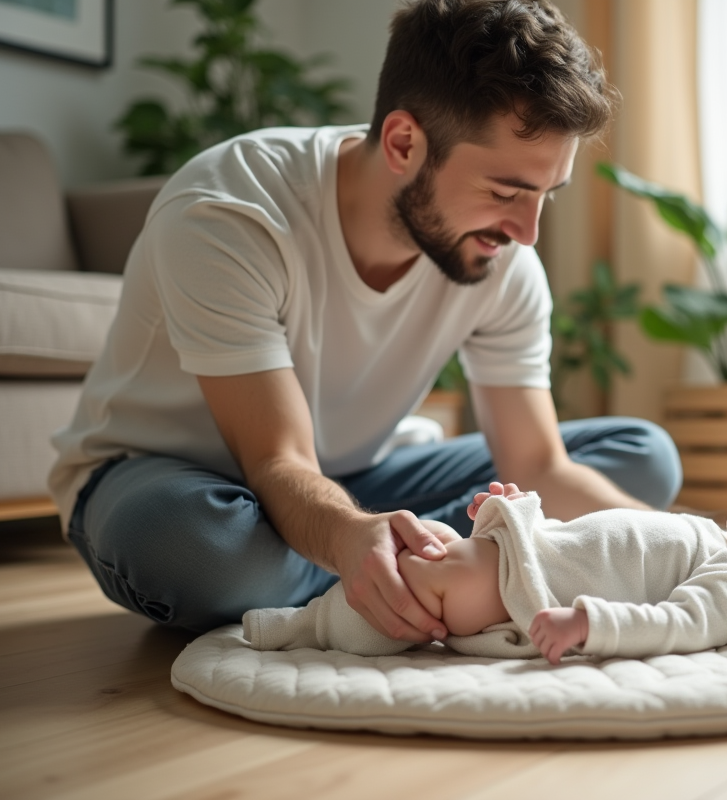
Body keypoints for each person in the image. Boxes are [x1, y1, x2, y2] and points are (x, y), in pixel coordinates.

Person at [48, 0, 681, 637]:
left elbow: (538, 466)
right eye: (505, 191)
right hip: (176, 480)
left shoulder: (500, 255)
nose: (527, 231)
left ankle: (385, 563)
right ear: (404, 142)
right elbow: (277, 462)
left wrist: (702, 545)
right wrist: (350, 533)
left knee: (641, 457)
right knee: (204, 555)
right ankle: (449, 563)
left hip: (352, 474)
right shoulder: (231, 213)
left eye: (547, 195)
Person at [244, 482, 727, 663]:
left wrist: (589, 624)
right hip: (524, 554)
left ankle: (302, 627)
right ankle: (312, 610)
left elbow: (672, 626)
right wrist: (516, 514)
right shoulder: (719, 543)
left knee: (419, 583)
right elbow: (593, 544)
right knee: (433, 545)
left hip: (518, 590)